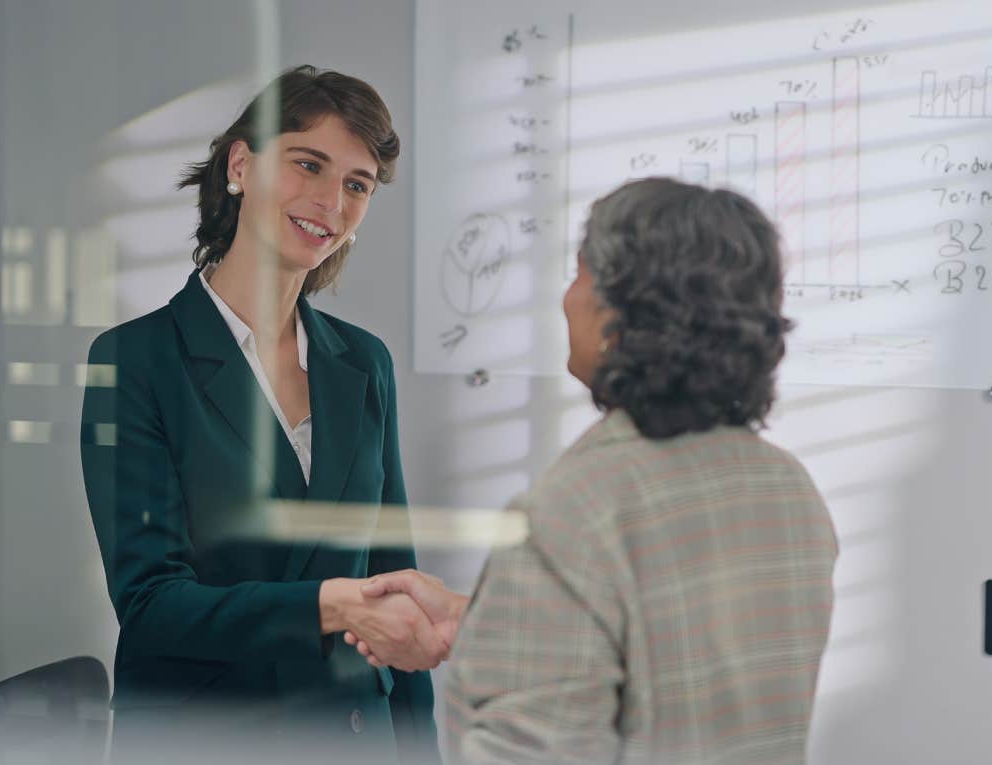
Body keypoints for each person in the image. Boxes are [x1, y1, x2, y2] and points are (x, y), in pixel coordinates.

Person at [352, 178, 839, 764]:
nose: (566, 299)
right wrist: (482, 620)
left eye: (580, 275)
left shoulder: (576, 510)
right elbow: (678, 653)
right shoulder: (788, 490)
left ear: (625, 315)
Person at [79, 65, 441, 764]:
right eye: (309, 163)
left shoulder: (364, 365)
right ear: (240, 165)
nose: (331, 200)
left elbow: (397, 584)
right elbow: (152, 604)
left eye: (357, 184)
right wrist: (332, 605)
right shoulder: (136, 359)